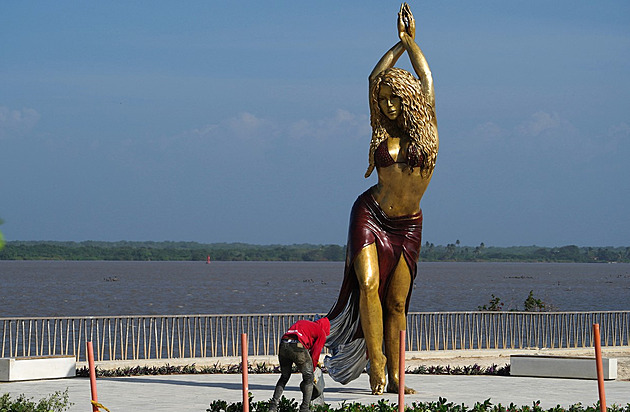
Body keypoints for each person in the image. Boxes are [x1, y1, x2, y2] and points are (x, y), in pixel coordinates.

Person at [325, 3, 438, 396]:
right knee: (368, 285)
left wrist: (411, 42)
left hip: (407, 226)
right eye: (384, 99)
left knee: (397, 303)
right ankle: (376, 367)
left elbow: (426, 80)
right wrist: (395, 44)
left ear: (408, 100)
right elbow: (373, 78)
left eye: (394, 98)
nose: (387, 105)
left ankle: (396, 378)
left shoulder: (429, 133)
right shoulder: (381, 130)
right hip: (369, 214)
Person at [269, 317, 330, 412]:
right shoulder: (321, 332)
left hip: (283, 343)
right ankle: (304, 408)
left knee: (284, 377)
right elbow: (315, 354)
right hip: (298, 346)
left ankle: (273, 406)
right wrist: (312, 370)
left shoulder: (303, 323)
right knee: (308, 378)